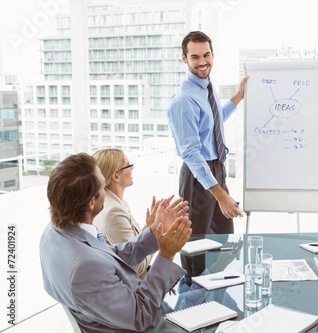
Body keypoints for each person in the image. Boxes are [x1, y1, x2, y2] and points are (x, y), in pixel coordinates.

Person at [39, 153, 192, 332]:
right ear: (91, 203)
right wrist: (166, 255)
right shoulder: (85, 268)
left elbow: (109, 257)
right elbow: (140, 316)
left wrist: (153, 234)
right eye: (103, 187)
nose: (107, 192)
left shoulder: (55, 232)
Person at [167, 30, 248, 235]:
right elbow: (191, 154)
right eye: (195, 57)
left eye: (206, 55)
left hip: (216, 171)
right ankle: (195, 270)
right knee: (196, 245)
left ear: (212, 55)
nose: (202, 62)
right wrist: (221, 195)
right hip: (198, 176)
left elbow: (213, 121)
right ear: (184, 58)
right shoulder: (184, 100)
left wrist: (237, 98)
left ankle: (215, 270)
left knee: (224, 241)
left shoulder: (206, 88)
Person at [93, 148, 156, 279]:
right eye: (129, 165)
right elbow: (134, 267)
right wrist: (155, 237)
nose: (132, 168)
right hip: (136, 290)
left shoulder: (115, 202)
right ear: (115, 176)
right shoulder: (113, 213)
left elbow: (131, 247)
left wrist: (149, 228)